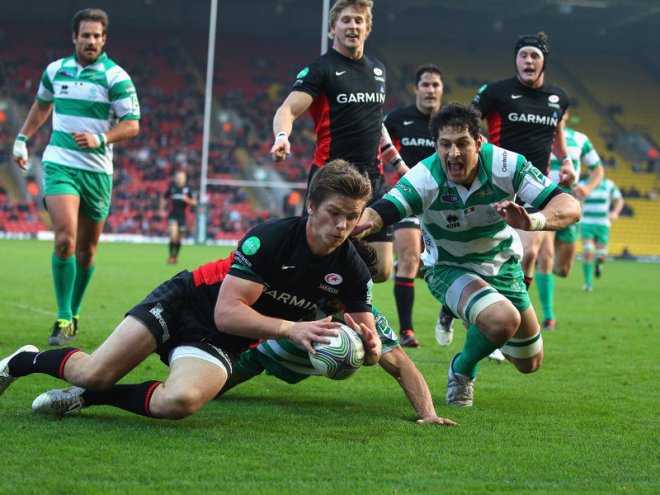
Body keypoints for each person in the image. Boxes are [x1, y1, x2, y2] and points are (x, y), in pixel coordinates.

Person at [0, 160, 381, 420]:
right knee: (93, 372)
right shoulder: (271, 238)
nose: (342, 225)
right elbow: (227, 312)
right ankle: (23, 361)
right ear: (311, 205)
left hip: (224, 342)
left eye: (352, 216)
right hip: (184, 301)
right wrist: (290, 329)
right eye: (334, 213)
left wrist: (370, 349)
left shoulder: (353, 270)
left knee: (179, 402)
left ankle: (93, 399)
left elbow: (367, 340)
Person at [354, 103, 581, 406]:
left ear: (478, 142)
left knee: (530, 363)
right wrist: (348, 228)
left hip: (502, 266)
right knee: (503, 319)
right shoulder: (424, 178)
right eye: (445, 144)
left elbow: (570, 207)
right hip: (448, 268)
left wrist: (532, 221)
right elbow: (378, 213)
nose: (453, 153)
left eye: (462, 143)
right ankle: (462, 369)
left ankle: (480, 317)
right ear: (436, 146)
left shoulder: (506, 165)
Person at [432, 32, 575, 346]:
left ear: (543, 62)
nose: (528, 61)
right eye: (523, 55)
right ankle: (451, 307)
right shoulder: (496, 92)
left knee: (529, 254)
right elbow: (467, 125)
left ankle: (501, 326)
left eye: (534, 56)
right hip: (494, 185)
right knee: (481, 255)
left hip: (532, 187)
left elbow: (558, 137)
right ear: (516, 60)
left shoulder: (558, 97)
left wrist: (567, 161)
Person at [218, 238, 456, 426]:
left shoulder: (364, 317)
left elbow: (402, 366)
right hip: (254, 356)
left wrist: (429, 414)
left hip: (288, 360)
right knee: (206, 391)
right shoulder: (292, 282)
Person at [12, 9, 140, 346]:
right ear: (75, 37)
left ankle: (76, 311)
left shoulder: (116, 77)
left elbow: (132, 124)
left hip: (96, 172)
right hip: (60, 163)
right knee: (64, 240)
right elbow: (42, 106)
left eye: (97, 36)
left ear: (104, 39)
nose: (91, 41)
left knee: (86, 250)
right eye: (86, 35)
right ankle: (63, 316)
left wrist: (101, 138)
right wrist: (22, 138)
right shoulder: (55, 71)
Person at [270, 0, 407, 284]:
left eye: (358, 20)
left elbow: (376, 124)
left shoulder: (378, 70)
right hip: (332, 177)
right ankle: (312, 300)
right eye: (346, 20)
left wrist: (397, 162)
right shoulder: (321, 69)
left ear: (367, 29)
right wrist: (282, 136)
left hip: (372, 179)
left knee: (381, 269)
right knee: (318, 256)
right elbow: (288, 109)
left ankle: (336, 294)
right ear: (333, 27)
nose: (352, 26)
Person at [383, 64, 443, 348]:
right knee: (409, 260)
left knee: (442, 264)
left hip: (442, 203)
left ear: (441, 90)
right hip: (408, 197)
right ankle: (407, 331)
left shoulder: (448, 122)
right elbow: (377, 140)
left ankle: (448, 314)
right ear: (416, 88)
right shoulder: (398, 118)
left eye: (435, 85)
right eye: (425, 85)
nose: (430, 90)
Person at [536, 112, 604, 329]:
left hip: (568, 206)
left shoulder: (580, 139)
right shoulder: (537, 134)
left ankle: (539, 266)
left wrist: (588, 188)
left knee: (563, 269)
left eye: (560, 111)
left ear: (567, 114)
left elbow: (598, 169)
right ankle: (549, 316)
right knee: (545, 257)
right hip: (543, 203)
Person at [580, 177, 624, 292]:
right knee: (588, 251)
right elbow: (574, 198)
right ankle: (588, 283)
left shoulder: (609, 184)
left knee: (601, 255)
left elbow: (619, 200)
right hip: (587, 223)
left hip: (603, 224)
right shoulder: (583, 184)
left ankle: (599, 264)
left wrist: (615, 213)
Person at [160, 170, 197, 265]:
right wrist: (162, 209)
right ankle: (171, 256)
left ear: (185, 179)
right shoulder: (172, 188)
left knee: (179, 239)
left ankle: (175, 256)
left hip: (183, 217)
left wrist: (187, 199)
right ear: (176, 178)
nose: (180, 179)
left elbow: (194, 202)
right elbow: (164, 197)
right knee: (173, 235)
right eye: (178, 177)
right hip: (173, 215)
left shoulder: (188, 190)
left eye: (182, 177)